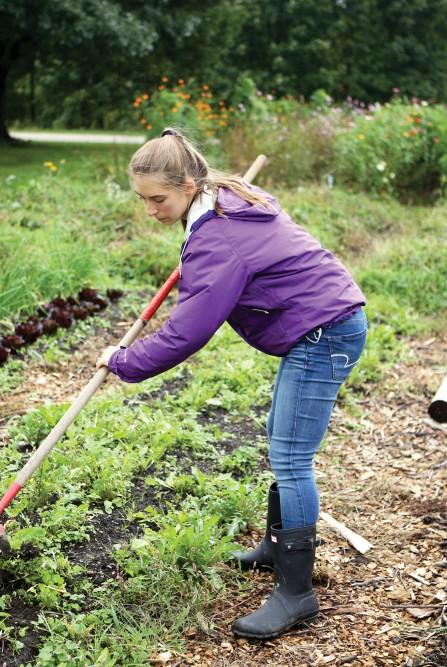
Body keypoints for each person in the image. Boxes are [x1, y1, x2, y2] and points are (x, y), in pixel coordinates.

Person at [96, 128, 367, 640]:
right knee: (282, 443)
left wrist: (123, 361)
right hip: (323, 319)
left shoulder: (217, 238)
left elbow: (186, 332)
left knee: (291, 458)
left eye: (159, 199)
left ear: (190, 183)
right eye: (143, 199)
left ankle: (297, 593)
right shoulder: (231, 197)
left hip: (323, 332)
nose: (151, 210)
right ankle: (274, 546)